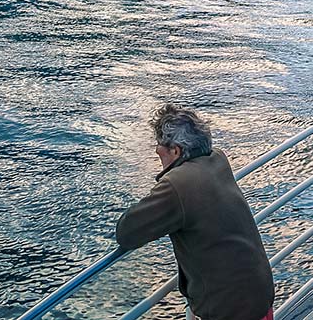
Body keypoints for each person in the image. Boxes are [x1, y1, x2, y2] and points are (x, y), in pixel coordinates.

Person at [116, 105, 275, 320]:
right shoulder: (218, 159)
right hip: (258, 297)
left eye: (159, 148)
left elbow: (127, 232)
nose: (157, 152)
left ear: (176, 150)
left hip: (229, 311)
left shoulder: (177, 184)